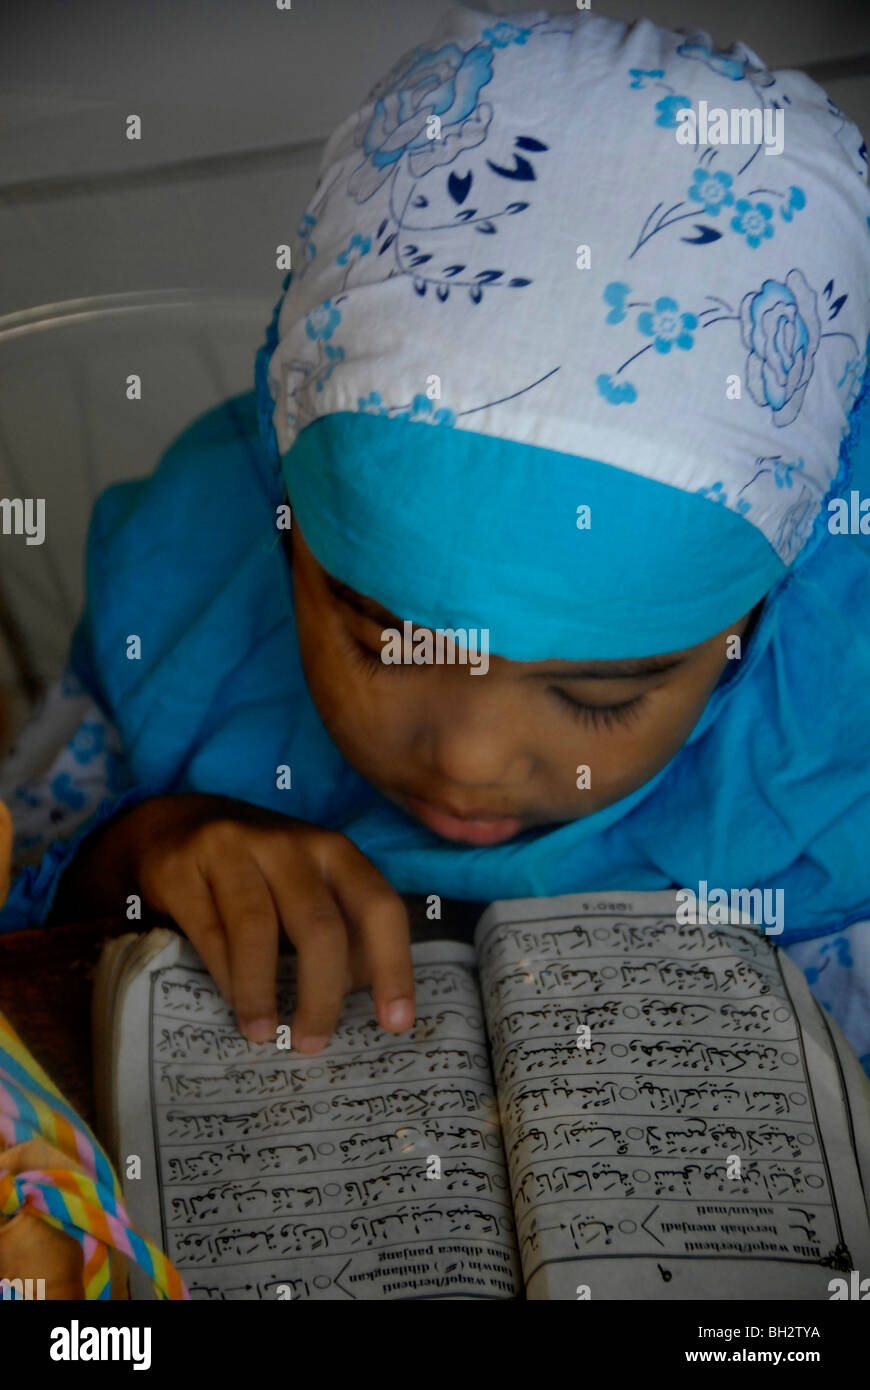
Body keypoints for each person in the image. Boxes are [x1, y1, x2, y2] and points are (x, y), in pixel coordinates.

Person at [2, 6, 869, 1069]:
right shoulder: (196, 600)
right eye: (378, 638)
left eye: (602, 693)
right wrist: (137, 857)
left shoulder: (839, 742)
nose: (466, 756)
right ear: (288, 519)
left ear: (768, 603)